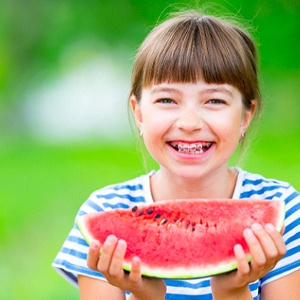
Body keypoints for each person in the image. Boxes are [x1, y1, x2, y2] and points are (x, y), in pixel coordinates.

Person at [52, 8, 300, 300]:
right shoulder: (102, 212)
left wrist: (232, 292)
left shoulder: (284, 211)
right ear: (139, 112)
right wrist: (146, 296)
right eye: (167, 99)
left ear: (246, 115)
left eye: (215, 100)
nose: (190, 123)